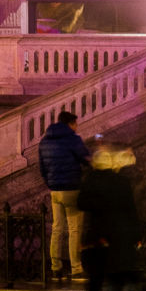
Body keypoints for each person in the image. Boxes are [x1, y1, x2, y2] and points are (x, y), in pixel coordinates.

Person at [77, 143, 145, 291]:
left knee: (97, 282)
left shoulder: (89, 180)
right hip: (116, 237)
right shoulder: (120, 182)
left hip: (95, 238)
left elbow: (82, 203)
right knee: (114, 278)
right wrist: (135, 235)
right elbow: (130, 209)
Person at [37, 106, 91, 279]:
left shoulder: (45, 141)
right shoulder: (72, 139)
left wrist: (50, 183)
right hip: (71, 188)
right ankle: (76, 267)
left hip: (55, 190)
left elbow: (42, 167)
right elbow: (85, 158)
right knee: (74, 229)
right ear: (70, 123)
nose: (77, 127)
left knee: (57, 228)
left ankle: (56, 267)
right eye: (76, 124)